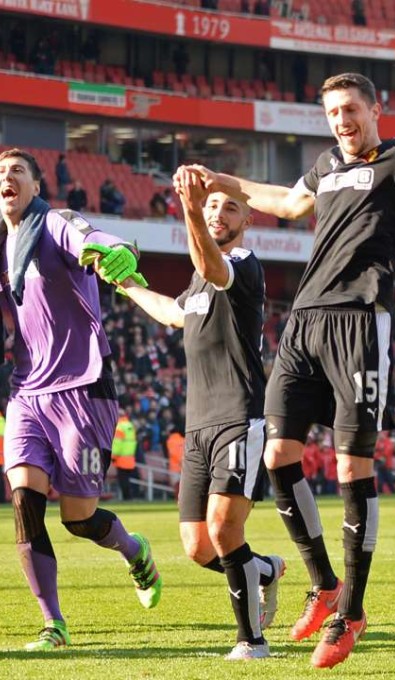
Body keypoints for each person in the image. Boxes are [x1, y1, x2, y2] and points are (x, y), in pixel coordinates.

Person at [179, 41, 395, 667]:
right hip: (303, 323)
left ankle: (353, 609)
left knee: (351, 467)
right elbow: (284, 201)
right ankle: (325, 585)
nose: (341, 120)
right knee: (277, 455)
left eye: (350, 108)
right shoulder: (327, 165)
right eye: (332, 112)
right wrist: (218, 180)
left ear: (375, 109)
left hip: (358, 321)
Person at [0, 148, 162, 651]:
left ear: (36, 183)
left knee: (79, 519)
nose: (7, 178)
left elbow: (95, 239)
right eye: (0, 174)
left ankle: (135, 552)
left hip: (85, 389)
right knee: (24, 503)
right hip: (27, 391)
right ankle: (54, 623)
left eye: (16, 171)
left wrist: (120, 253)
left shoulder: (56, 224)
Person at [121, 169, 286, 660]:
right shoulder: (196, 286)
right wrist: (126, 282)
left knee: (222, 529)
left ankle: (252, 642)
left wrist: (189, 209)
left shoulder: (242, 265)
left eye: (229, 206)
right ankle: (263, 569)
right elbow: (172, 313)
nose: (218, 212)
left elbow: (213, 267)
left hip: (239, 416)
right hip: (198, 426)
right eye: (210, 206)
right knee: (197, 547)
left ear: (248, 219)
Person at [112, 411, 138, 500]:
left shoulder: (119, 427)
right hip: (130, 458)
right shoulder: (130, 425)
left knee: (123, 480)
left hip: (121, 458)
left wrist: (113, 457)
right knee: (127, 479)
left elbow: (117, 444)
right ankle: (129, 497)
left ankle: (127, 498)